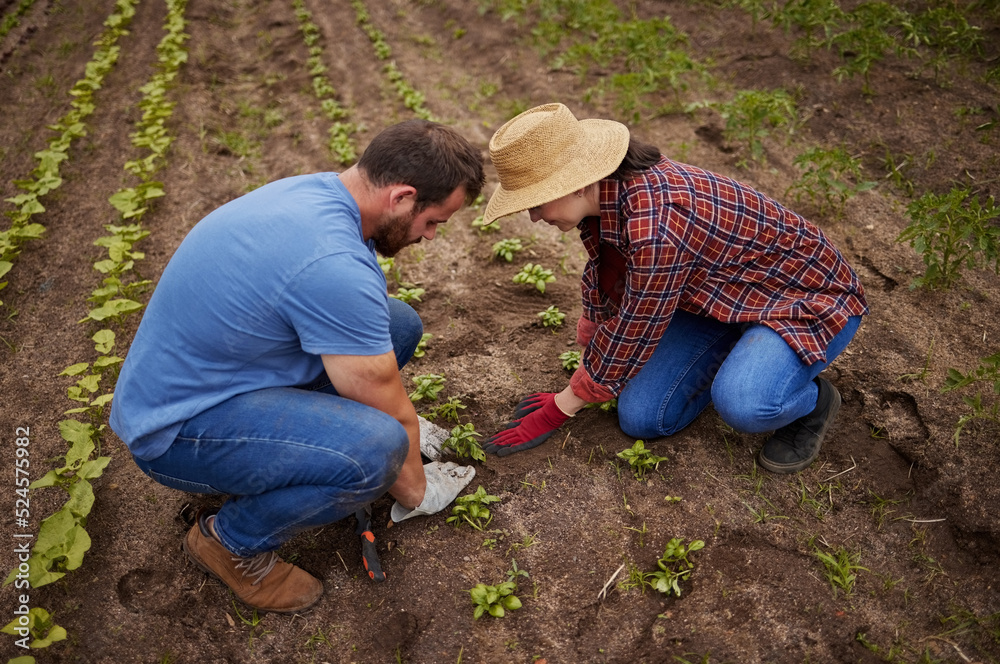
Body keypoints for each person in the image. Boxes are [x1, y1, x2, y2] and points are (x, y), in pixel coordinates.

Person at [110, 119, 485, 613]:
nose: (432, 237)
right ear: (401, 197)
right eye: (433, 221)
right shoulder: (333, 261)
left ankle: (310, 443)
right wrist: (417, 489)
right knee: (377, 452)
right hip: (177, 432)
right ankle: (230, 543)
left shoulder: (317, 195)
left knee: (397, 327)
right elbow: (391, 417)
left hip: (215, 380)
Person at [481, 103, 868, 474]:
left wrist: (559, 408)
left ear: (576, 185)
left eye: (536, 202)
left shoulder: (657, 223)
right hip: (715, 298)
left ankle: (813, 403)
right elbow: (610, 275)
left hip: (801, 299)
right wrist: (591, 343)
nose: (533, 216)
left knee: (745, 405)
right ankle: (742, 354)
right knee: (643, 418)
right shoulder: (608, 198)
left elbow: (638, 323)